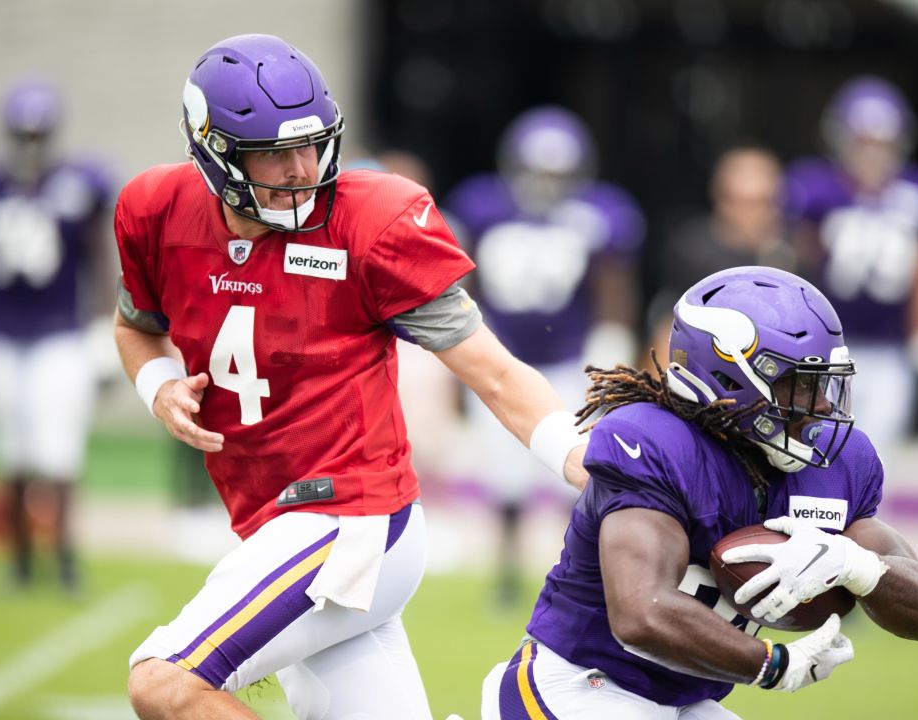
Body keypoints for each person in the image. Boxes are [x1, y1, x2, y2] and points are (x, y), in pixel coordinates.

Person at [116, 35, 590, 720]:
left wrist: (585, 461)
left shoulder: (369, 221)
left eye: (312, 144)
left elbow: (492, 372)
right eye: (274, 152)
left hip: (350, 521)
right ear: (212, 149)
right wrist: (158, 384)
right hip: (273, 520)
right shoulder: (156, 209)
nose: (301, 168)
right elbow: (135, 325)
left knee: (164, 682)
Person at [481, 267, 918, 719]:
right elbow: (642, 614)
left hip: (689, 700)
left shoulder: (837, 462)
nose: (821, 405)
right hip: (582, 683)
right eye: (799, 383)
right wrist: (772, 664)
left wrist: (857, 565)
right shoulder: (654, 443)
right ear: (731, 378)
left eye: (823, 381)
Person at [444, 105, 645, 606]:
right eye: (536, 171)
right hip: (499, 357)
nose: (545, 183)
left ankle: (573, 572)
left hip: (566, 359)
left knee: (572, 467)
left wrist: (612, 340)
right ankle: (508, 576)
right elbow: (461, 279)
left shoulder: (598, 215)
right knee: (504, 474)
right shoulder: (482, 207)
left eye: (556, 173)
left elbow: (613, 283)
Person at [0, 77, 114, 593]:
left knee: (59, 449)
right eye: (23, 135)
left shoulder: (78, 186)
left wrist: (104, 326)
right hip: (1, 333)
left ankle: (63, 558)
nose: (30, 146)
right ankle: (20, 561)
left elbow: (96, 259)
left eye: (38, 135)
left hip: (60, 332)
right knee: (13, 450)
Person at [785, 76, 918, 454]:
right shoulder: (816, 188)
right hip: (824, 347)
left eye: (882, 143)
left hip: (890, 347)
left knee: (876, 455)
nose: (872, 153)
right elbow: (796, 260)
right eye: (862, 142)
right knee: (815, 445)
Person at [647, 145, 795, 372]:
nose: (752, 214)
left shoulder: (791, 254)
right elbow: (669, 323)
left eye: (763, 202)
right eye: (742, 201)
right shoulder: (693, 247)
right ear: (719, 197)